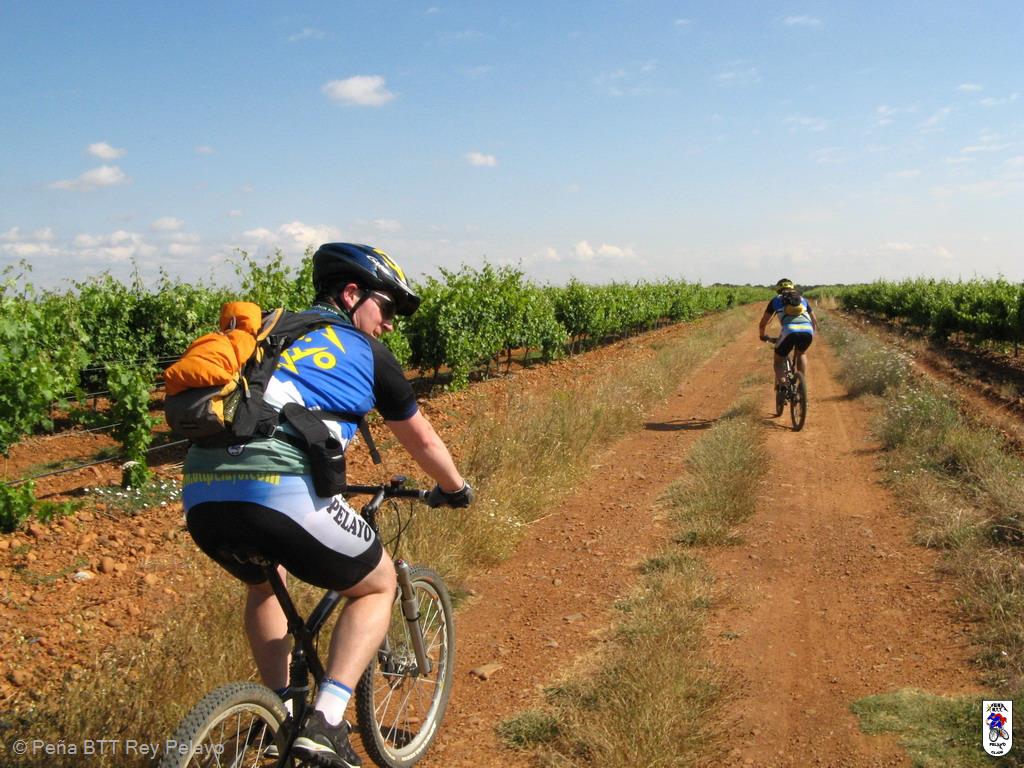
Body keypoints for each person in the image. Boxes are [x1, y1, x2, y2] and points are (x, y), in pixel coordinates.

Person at [182, 243, 473, 768]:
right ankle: (327, 722)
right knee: (377, 584)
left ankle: (281, 710)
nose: (389, 324)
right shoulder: (366, 351)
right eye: (386, 308)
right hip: (280, 488)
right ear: (352, 293)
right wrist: (454, 488)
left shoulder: (271, 330)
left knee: (264, 581)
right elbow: (423, 440)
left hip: (202, 491)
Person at [758, 278, 818, 389]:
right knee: (801, 353)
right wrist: (812, 333)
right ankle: (801, 384)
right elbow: (814, 320)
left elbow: (763, 323)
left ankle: (784, 385)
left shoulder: (776, 300)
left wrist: (762, 336)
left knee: (778, 361)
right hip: (807, 330)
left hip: (789, 331)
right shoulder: (802, 299)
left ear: (778, 289)